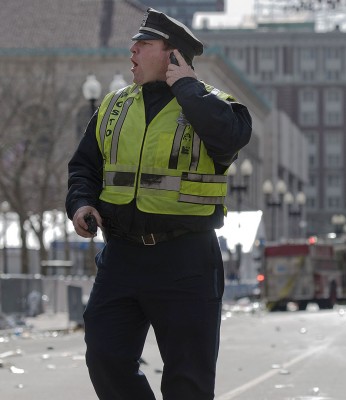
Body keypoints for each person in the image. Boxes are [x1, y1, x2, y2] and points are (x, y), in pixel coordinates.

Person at [65, 8, 252, 400]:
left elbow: (228, 138)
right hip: (122, 257)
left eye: (144, 44)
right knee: (104, 357)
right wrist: (82, 203)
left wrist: (187, 87)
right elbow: (84, 167)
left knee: (188, 379)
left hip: (186, 260)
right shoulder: (114, 107)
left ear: (172, 56)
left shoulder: (217, 107)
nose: (132, 50)